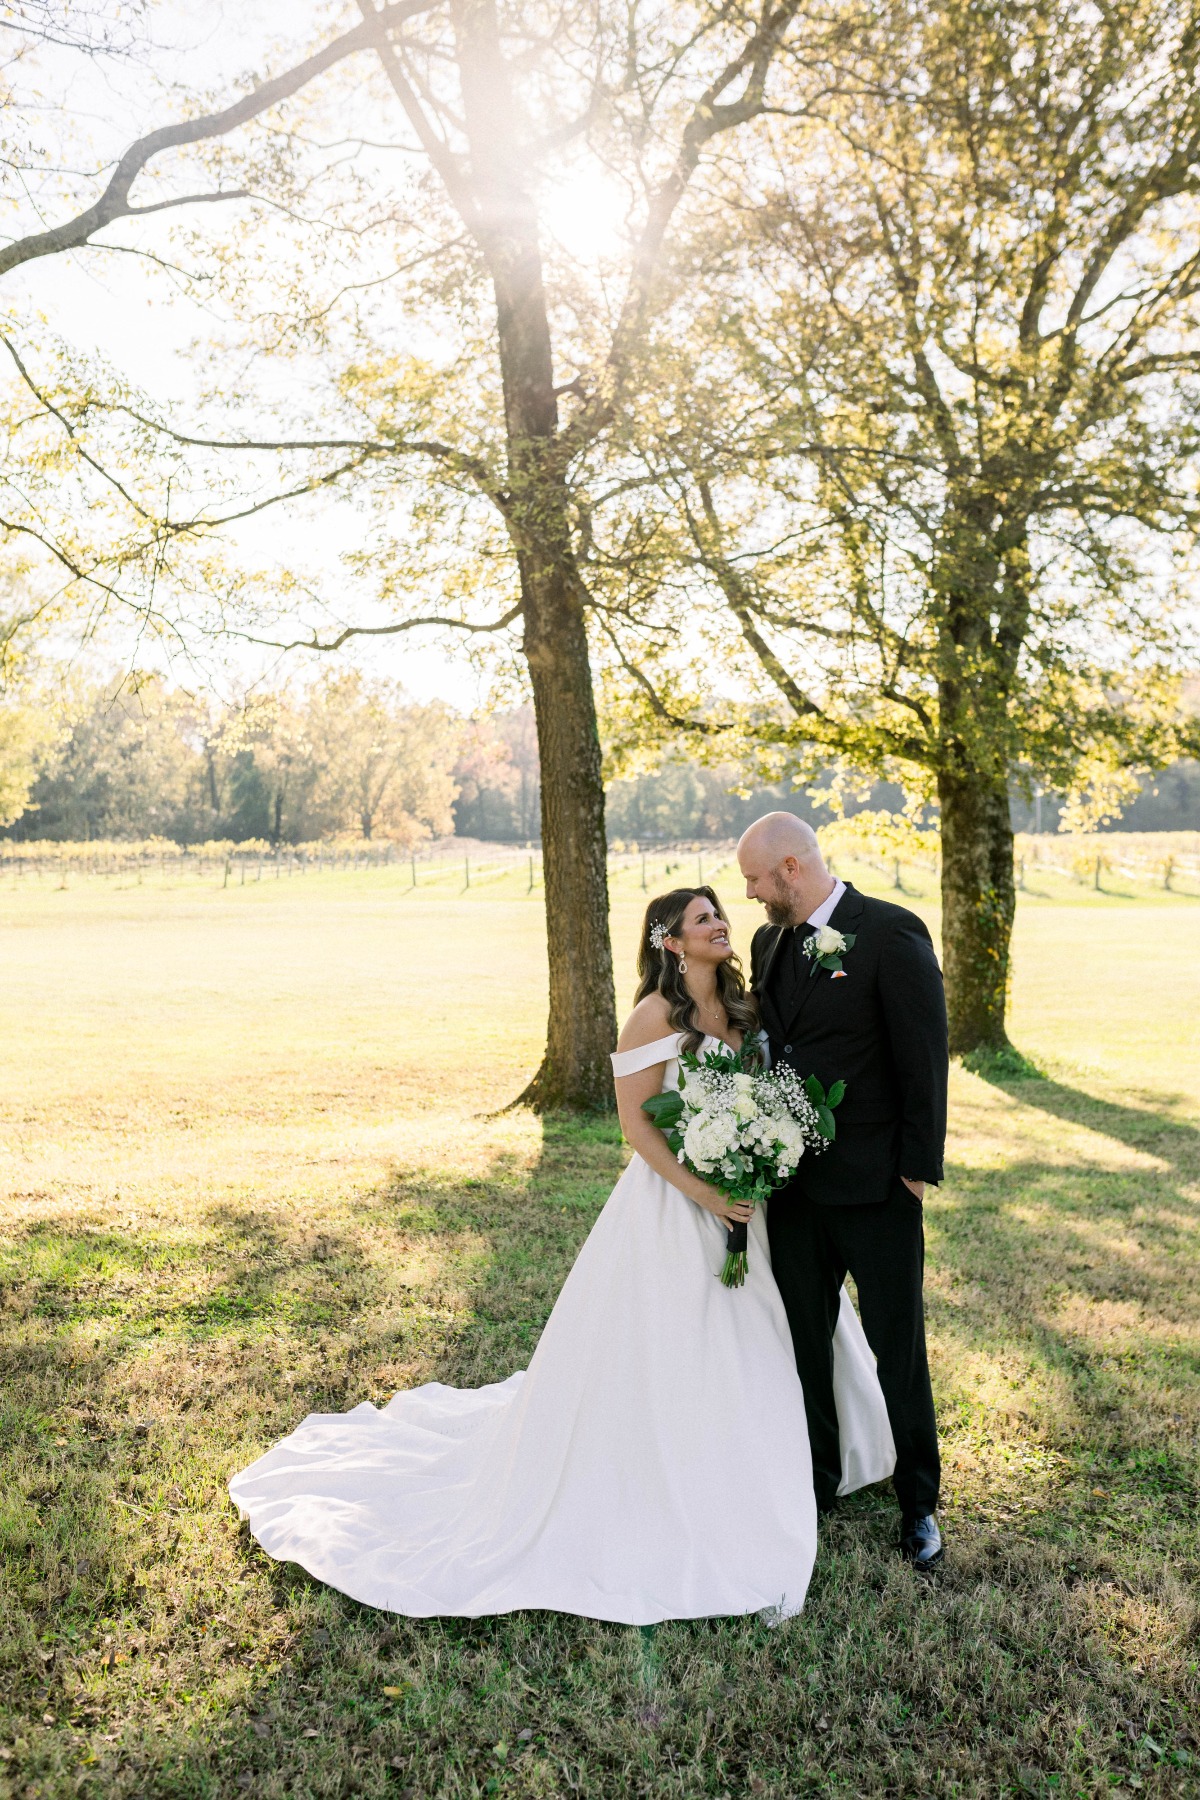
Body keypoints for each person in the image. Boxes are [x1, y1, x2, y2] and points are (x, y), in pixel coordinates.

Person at [228, 886, 894, 1625]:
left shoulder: (745, 1007)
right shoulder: (650, 1017)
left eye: (719, 915)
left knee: (776, 1328)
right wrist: (705, 1194)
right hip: (677, 1206)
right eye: (703, 919)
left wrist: (756, 1161)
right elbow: (639, 1129)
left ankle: (799, 1459)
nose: (720, 925)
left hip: (750, 1201)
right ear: (670, 941)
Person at [737, 813, 949, 1571]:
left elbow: (925, 1056)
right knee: (804, 1345)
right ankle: (816, 1484)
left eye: (757, 880)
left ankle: (919, 1505)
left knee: (898, 1348)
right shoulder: (770, 942)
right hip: (792, 1190)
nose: (753, 895)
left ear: (791, 867)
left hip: (878, 1187)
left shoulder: (891, 933)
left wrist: (918, 1168)